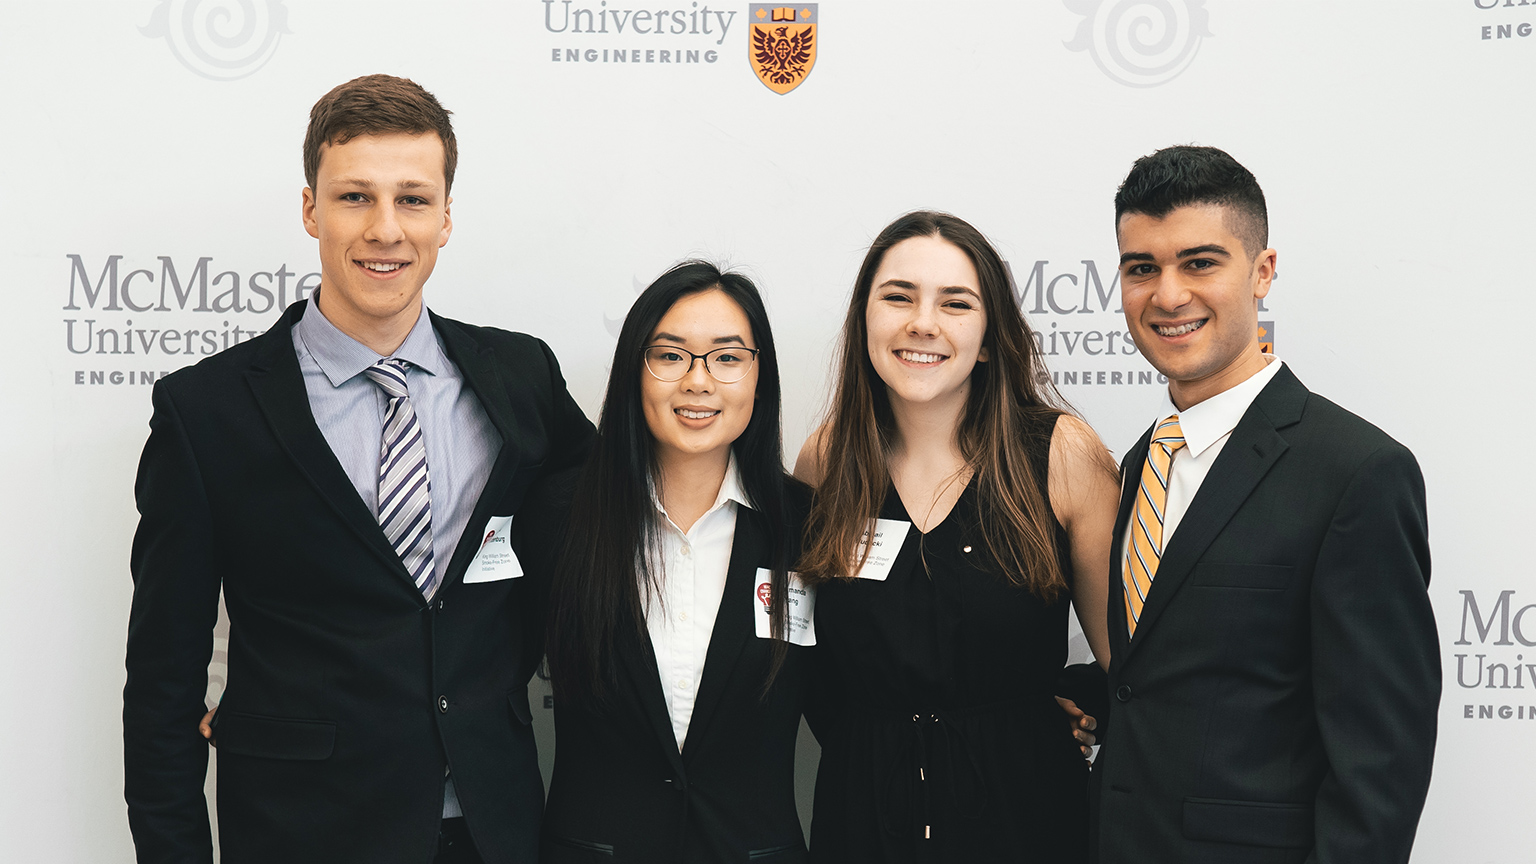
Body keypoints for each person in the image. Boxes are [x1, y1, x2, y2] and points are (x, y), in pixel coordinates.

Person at [124, 74, 594, 864]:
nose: (385, 230)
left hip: (491, 829)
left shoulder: (523, 377)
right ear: (310, 209)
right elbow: (162, 686)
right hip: (300, 835)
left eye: (412, 200)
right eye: (354, 198)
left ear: (447, 217)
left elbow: (616, 507)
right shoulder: (206, 413)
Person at [1090, 145, 1439, 864]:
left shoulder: (1357, 472)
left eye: (1200, 262)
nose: (1168, 294)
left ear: (1263, 272)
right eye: (1142, 268)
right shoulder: (1143, 461)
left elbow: (1380, 767)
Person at [794, 211, 1121, 862]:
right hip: (862, 825)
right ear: (865, 320)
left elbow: (1133, 665)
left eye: (955, 302)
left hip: (1027, 821)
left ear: (991, 334)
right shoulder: (825, 460)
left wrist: (1062, 705)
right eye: (898, 297)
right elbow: (809, 667)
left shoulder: (1060, 454)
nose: (923, 322)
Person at [541, 262, 815, 862]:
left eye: (727, 357)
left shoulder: (809, 528)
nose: (698, 382)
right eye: (670, 356)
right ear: (635, 373)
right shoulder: (557, 516)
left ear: (758, 375)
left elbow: (865, 700)